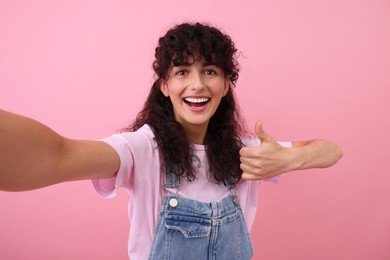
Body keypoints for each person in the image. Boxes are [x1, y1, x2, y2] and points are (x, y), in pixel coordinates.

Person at [0, 22, 343, 259]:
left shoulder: (246, 153)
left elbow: (331, 150)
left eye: (210, 71)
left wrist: (286, 159)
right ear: (164, 86)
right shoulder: (142, 150)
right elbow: (60, 154)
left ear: (225, 84)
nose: (197, 85)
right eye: (182, 72)